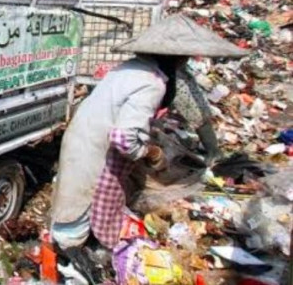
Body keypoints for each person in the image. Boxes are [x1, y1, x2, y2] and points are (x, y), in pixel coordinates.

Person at [49, 14, 246, 281]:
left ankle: (68, 254)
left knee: (77, 198)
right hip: (95, 147)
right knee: (78, 210)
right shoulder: (152, 83)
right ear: (176, 58)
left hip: (84, 137)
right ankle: (64, 263)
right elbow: (123, 139)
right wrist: (150, 153)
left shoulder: (129, 67)